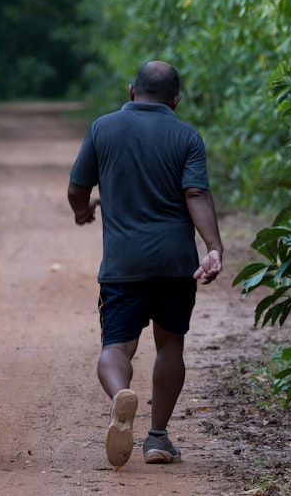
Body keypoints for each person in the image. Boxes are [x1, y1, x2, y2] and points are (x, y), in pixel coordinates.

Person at [67, 60, 224, 471]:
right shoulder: (186, 135)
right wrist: (213, 247)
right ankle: (157, 438)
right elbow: (196, 195)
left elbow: (77, 187)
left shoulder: (104, 128)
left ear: (132, 90)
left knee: (116, 345)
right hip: (175, 261)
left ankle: (121, 396)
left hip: (124, 263)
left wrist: (83, 211)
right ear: (176, 99)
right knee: (170, 343)